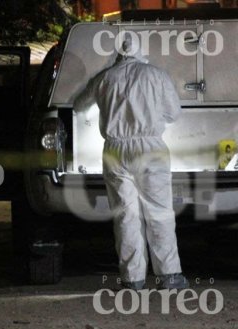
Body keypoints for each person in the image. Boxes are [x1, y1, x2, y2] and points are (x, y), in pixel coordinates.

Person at [73, 38, 188, 290]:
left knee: (125, 215)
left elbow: (79, 106)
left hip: (114, 150)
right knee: (158, 211)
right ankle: (169, 276)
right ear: (140, 50)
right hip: (149, 148)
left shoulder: (105, 77)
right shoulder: (156, 75)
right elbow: (174, 113)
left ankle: (132, 279)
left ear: (119, 53)